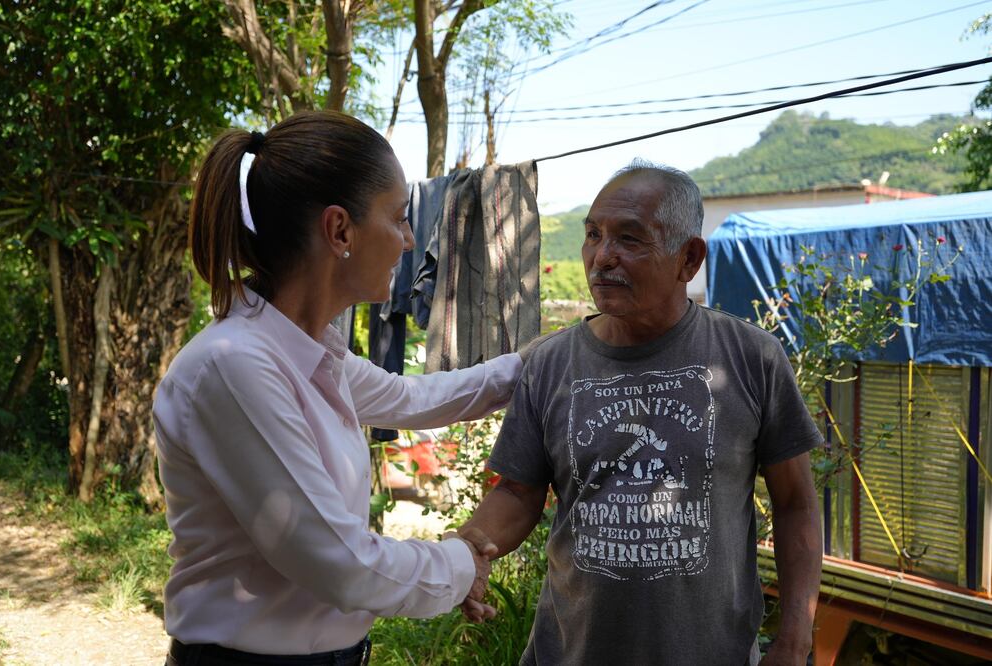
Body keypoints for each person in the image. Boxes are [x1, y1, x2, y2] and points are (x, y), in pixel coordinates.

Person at [153, 110, 514, 665]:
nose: (408, 240)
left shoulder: (306, 349)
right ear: (340, 230)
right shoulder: (236, 365)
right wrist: (461, 563)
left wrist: (534, 366)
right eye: (397, 219)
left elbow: (410, 397)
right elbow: (339, 562)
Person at [458, 161, 823, 665]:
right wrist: (468, 550)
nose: (602, 257)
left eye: (630, 239)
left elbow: (796, 503)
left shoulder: (750, 357)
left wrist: (796, 636)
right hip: (571, 653)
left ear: (689, 257)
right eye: (593, 235)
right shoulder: (551, 363)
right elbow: (519, 492)